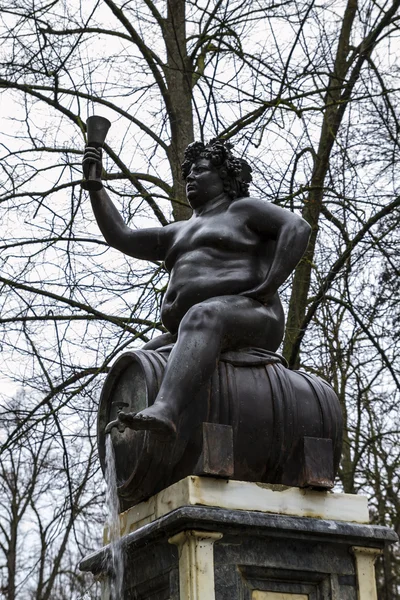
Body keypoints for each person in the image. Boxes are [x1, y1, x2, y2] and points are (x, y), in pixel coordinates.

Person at [82, 139, 311, 436]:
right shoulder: (176, 231)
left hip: (254, 314)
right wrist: (96, 187)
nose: (190, 176)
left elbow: (297, 227)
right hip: (190, 327)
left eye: (200, 170)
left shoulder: (243, 210)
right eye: (188, 171)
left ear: (224, 177)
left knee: (203, 315)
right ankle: (130, 442)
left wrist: (270, 285)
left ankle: (167, 409)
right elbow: (121, 235)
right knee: (136, 363)